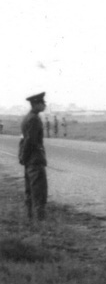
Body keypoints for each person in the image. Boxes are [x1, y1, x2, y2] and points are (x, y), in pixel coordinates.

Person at [19, 92, 48, 220]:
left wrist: (23, 158)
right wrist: (25, 157)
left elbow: (24, 140)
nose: (45, 105)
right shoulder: (34, 119)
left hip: (29, 160)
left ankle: (30, 219)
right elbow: (29, 141)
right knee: (39, 192)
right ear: (36, 104)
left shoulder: (28, 117)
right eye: (42, 103)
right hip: (35, 160)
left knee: (30, 190)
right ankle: (39, 222)